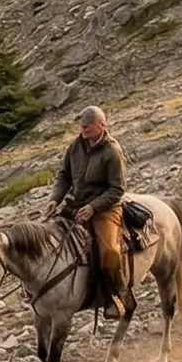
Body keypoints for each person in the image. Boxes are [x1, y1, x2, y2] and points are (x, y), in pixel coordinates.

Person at [49, 105, 128, 318]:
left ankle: (115, 295)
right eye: (81, 127)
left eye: (87, 127)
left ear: (101, 125)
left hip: (105, 208)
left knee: (110, 250)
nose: (83, 131)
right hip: (76, 204)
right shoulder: (76, 146)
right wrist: (55, 199)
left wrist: (94, 207)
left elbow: (117, 188)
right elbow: (64, 175)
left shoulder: (112, 151)